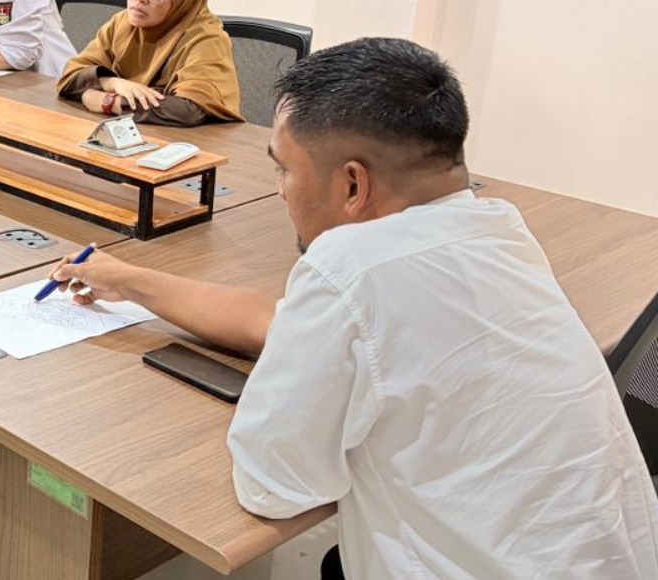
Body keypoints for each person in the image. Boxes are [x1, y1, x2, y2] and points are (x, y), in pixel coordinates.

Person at [51, 38, 658, 579]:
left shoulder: (351, 268)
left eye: (284, 170)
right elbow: (285, 321)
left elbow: (272, 485)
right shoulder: (497, 231)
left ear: (351, 185)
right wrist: (129, 280)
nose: (280, 191)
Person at [57, 0, 241, 125]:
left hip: (188, 141)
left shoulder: (207, 39)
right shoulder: (123, 24)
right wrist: (112, 83)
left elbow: (189, 109)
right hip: (127, 134)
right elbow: (71, 77)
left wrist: (109, 102)